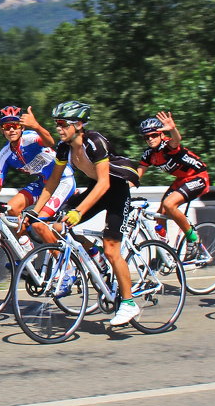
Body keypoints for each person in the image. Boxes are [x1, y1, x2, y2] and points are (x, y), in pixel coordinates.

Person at [29, 100, 142, 326]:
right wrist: (35, 210)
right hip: (96, 190)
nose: (58, 128)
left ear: (78, 124)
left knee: (112, 250)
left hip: (115, 190)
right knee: (57, 228)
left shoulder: (95, 142)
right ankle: (93, 255)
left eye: (62, 124)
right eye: (56, 124)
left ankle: (129, 303)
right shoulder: (63, 147)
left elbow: (104, 184)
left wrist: (79, 212)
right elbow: (52, 182)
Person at [0, 105, 74, 246]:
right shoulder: (5, 154)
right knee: (13, 208)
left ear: (22, 127)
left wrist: (36, 126)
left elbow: (50, 142)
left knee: (40, 225)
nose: (11, 130)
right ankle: (27, 251)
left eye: (15, 125)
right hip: (43, 184)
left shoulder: (30, 138)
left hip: (62, 180)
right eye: (7, 126)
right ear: (1, 130)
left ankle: (69, 266)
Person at [135, 111, 210, 261]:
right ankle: (164, 253)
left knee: (169, 204)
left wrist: (172, 129)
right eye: (146, 137)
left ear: (161, 135)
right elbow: (137, 176)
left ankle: (193, 239)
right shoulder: (149, 154)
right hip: (181, 180)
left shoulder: (168, 146)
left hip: (198, 177)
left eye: (154, 135)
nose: (150, 139)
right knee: (160, 216)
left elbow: (177, 139)